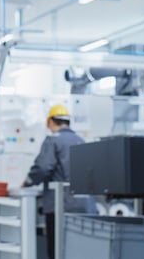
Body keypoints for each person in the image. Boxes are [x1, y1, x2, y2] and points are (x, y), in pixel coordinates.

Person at [22, 104, 97, 259]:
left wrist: (28, 181)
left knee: (57, 251)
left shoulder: (53, 140)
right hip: (85, 206)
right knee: (81, 252)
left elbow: (43, 167)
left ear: (50, 121)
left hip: (61, 206)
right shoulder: (82, 140)